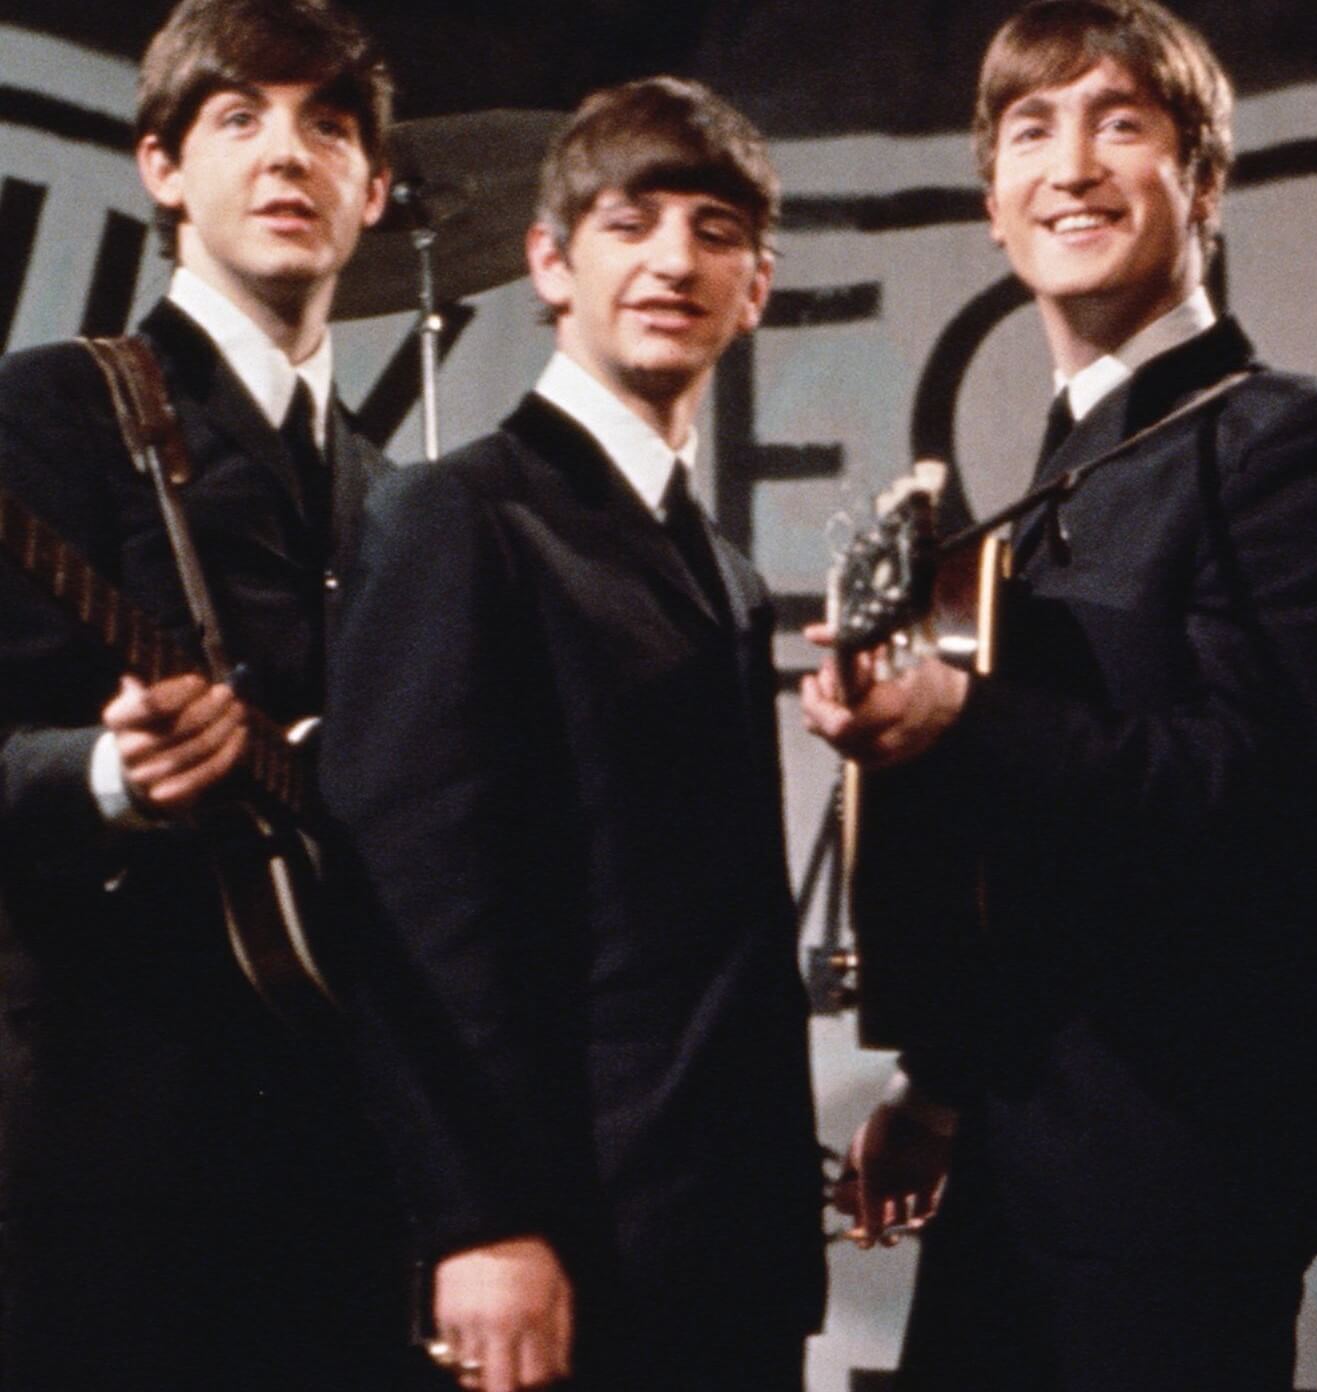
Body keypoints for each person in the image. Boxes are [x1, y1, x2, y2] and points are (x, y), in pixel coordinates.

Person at [802, 2, 1317, 1387]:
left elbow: (1288, 795)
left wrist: (965, 719)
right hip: (1011, 1161)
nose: (1070, 167)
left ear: (1202, 177)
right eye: (1031, 132)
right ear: (993, 204)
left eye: (1118, 124)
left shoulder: (1287, 441)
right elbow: (1020, 872)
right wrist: (937, 1084)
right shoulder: (1047, 484)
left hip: (1180, 1166)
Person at [320, 77, 826, 1392]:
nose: (674, 260)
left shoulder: (722, 571)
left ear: (757, 287)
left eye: (715, 230)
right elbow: (408, 914)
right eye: (629, 222)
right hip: (555, 1254)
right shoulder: (454, 515)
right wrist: (477, 1221)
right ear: (550, 262)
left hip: (724, 1256)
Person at [0, 1, 413, 1388]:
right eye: (240, 118)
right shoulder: (50, 409)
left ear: (375, 189)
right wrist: (104, 775)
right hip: (109, 1168)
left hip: (346, 1172)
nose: (288, 155)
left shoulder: (398, 496)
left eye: (328, 126)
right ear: (162, 168)